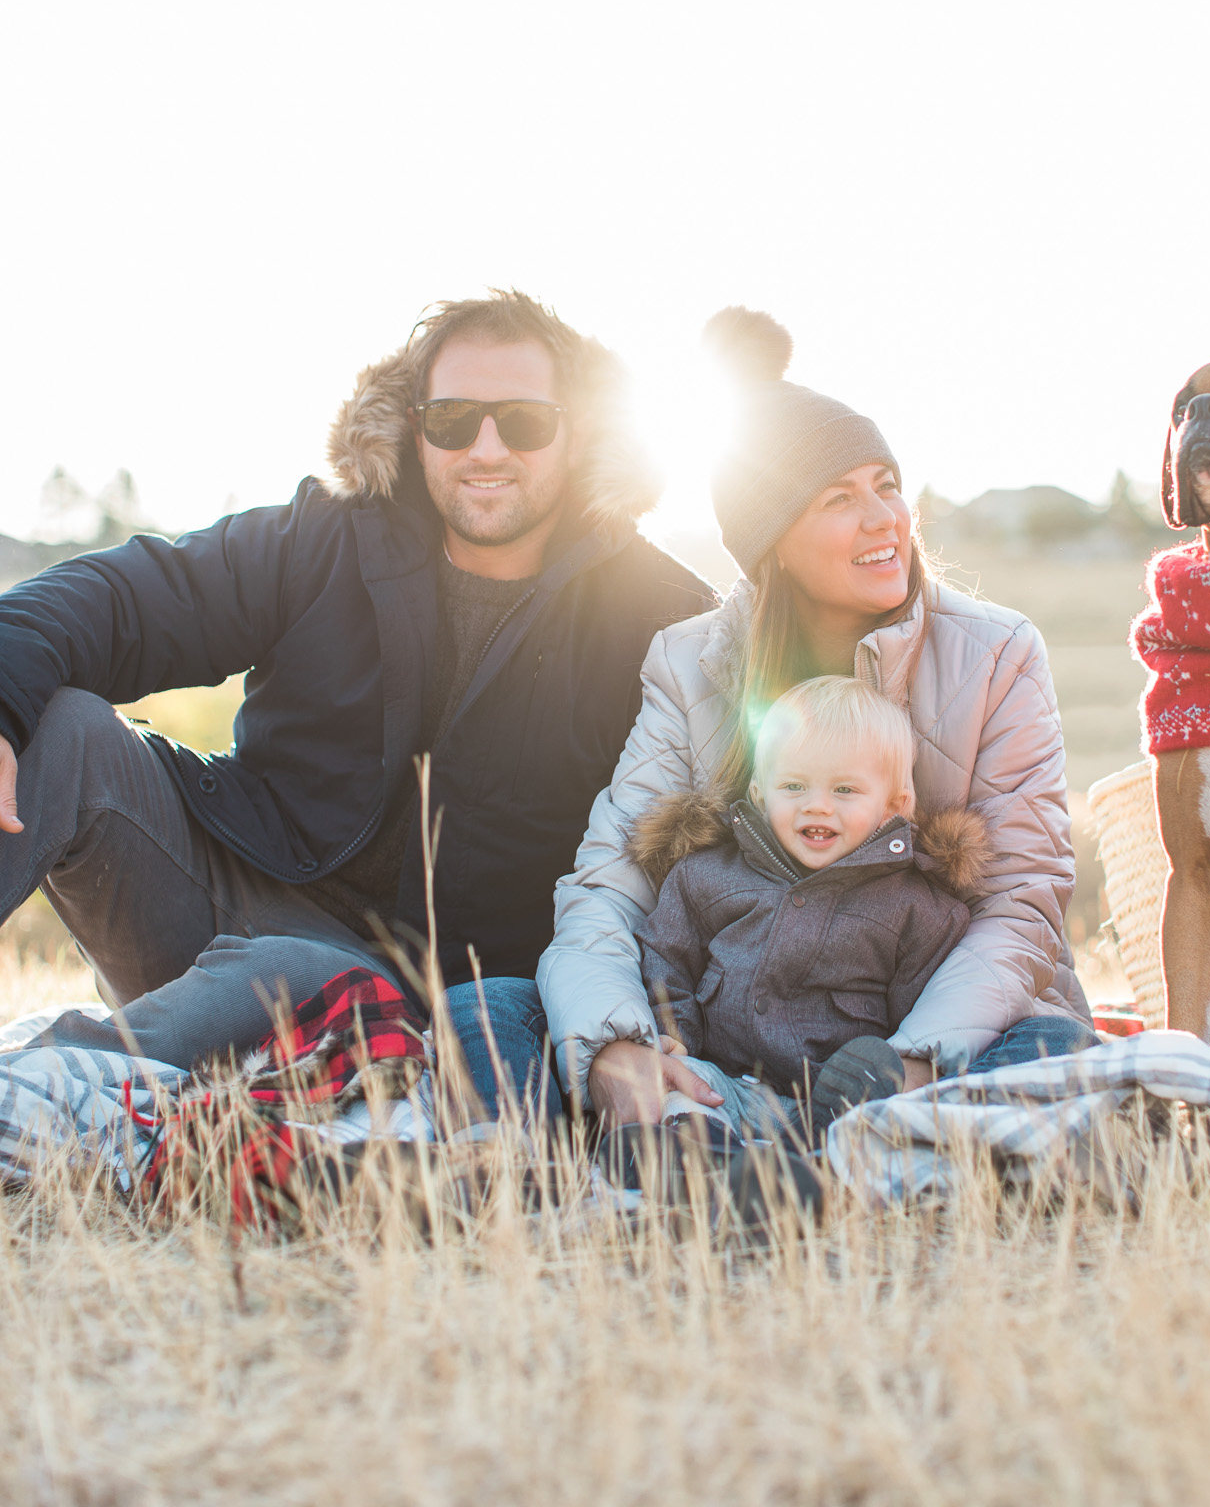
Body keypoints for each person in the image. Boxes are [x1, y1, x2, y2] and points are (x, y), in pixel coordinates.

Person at [0, 292, 714, 1103]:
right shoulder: (326, 538)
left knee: (295, 974)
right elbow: (122, 599)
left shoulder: (660, 615)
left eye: (523, 422)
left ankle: (49, 1087)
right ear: (415, 428)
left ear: (577, 432)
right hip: (224, 899)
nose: (486, 448)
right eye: (452, 419)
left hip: (421, 1002)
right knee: (56, 728)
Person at [538, 306, 1097, 1126]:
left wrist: (913, 1062)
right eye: (839, 498)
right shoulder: (690, 663)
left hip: (942, 1041)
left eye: (888, 486)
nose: (886, 520)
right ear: (775, 543)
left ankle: (865, 1146)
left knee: (1057, 1052)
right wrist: (620, 1047)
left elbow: (1022, 904)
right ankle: (667, 1151)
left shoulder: (998, 652)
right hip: (734, 1053)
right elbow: (607, 887)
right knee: (505, 1008)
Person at [628, 675, 993, 1151]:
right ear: (760, 795)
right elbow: (665, 954)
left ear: (893, 808)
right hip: (726, 1086)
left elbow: (922, 1021)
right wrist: (672, 1032)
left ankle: (808, 1162)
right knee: (679, 1089)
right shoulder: (708, 877)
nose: (817, 806)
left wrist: (894, 1071)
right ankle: (695, 1160)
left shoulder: (915, 908)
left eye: (844, 790)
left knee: (884, 1099)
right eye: (794, 785)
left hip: (837, 1106)